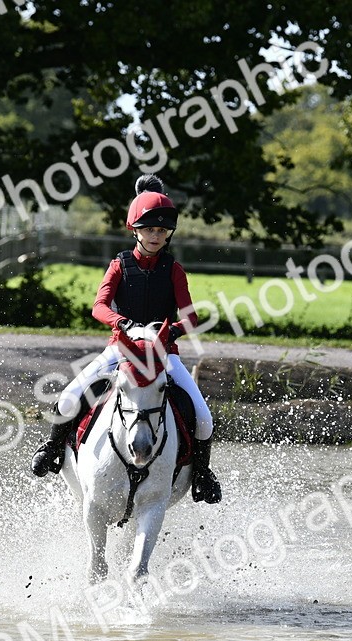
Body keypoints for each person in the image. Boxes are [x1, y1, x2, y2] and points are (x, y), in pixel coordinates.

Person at [29, 175, 221, 504]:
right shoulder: (119, 265)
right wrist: (122, 323)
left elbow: (190, 316)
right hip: (120, 349)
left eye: (161, 231)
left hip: (163, 354)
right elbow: (99, 306)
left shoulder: (174, 269)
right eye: (149, 230)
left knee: (203, 417)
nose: (156, 236)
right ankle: (52, 451)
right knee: (68, 397)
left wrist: (172, 330)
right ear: (135, 229)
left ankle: (202, 474)